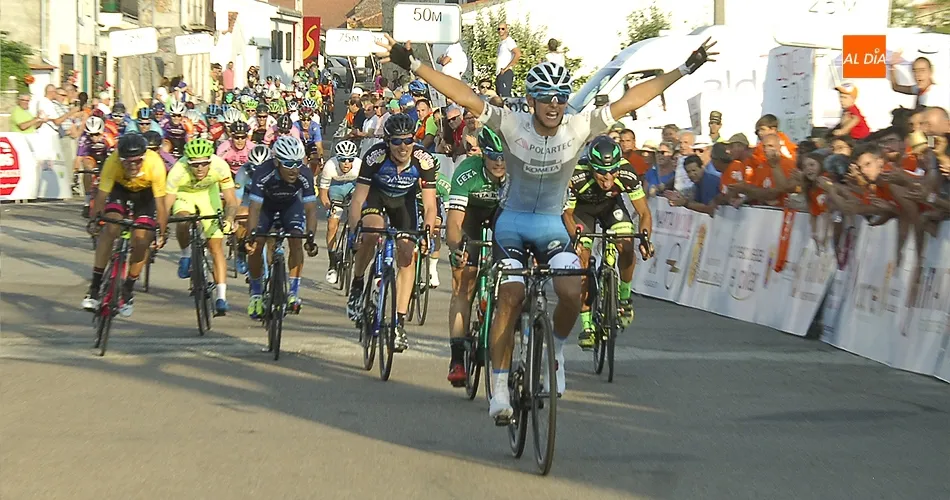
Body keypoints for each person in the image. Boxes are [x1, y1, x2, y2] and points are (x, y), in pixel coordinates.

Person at [376, 34, 714, 420]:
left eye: (560, 97)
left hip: (552, 225)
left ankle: (554, 352)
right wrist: (411, 61)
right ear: (532, 100)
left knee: (572, 292)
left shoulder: (579, 125)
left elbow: (633, 98)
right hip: (512, 226)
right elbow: (465, 94)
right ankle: (500, 388)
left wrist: (685, 68)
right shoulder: (512, 124)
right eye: (545, 97)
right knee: (510, 298)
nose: (554, 105)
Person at [345, 113, 440, 352]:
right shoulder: (375, 157)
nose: (403, 147)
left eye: (408, 140)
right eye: (396, 141)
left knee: (407, 255)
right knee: (372, 232)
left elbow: (430, 206)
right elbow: (357, 200)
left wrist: (427, 232)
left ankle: (398, 323)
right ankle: (358, 284)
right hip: (377, 195)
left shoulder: (423, 160)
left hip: (403, 202)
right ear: (387, 142)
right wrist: (355, 228)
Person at [563, 136, 652, 349]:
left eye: (613, 171)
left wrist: (646, 238)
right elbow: (567, 213)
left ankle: (624, 298)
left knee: (627, 245)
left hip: (611, 207)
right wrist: (576, 239)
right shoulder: (577, 174)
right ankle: (587, 326)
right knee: (582, 260)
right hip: (582, 211)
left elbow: (643, 212)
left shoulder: (628, 172)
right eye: (602, 172)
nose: (608, 177)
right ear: (592, 167)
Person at [444, 127, 507, 385]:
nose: (500, 162)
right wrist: (456, 248)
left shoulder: (516, 174)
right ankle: (457, 359)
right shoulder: (467, 171)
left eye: (504, 157)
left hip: (501, 216)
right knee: (463, 284)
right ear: (483, 155)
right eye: (494, 156)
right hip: (470, 216)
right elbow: (454, 223)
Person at [81, 134, 169, 315]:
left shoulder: (155, 165)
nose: (133, 166)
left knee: (142, 240)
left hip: (145, 196)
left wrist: (161, 231)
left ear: (144, 157)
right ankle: (95, 287)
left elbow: (161, 204)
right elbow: (102, 196)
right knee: (111, 227)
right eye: (127, 162)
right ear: (119, 158)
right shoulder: (112, 162)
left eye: (137, 161)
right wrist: (94, 220)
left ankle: (128, 288)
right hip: (119, 190)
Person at [244, 136, 320, 318]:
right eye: (288, 164)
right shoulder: (263, 172)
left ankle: (293, 293)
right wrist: (250, 235)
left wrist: (310, 237)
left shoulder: (304, 173)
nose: (294, 169)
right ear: (277, 161)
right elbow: (254, 208)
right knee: (256, 244)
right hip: (265, 208)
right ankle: (256, 293)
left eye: (297, 163)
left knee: (296, 239)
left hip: (290, 206)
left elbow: (310, 210)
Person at [165, 138, 239, 315]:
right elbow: (166, 205)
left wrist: (228, 220)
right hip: (185, 196)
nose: (199, 169)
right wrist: (161, 226)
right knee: (183, 220)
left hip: (208, 196)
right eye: (195, 164)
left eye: (204, 164)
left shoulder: (220, 166)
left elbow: (231, 200)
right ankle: (185, 255)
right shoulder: (178, 170)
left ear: (210, 160)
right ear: (187, 161)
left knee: (216, 248)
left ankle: (221, 297)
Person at [319, 140, 361, 285]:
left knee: (357, 214)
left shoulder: (359, 166)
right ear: (338, 159)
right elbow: (323, 194)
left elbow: (364, 191)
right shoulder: (330, 166)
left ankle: (355, 240)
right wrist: (328, 207)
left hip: (352, 187)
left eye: (350, 160)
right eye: (343, 160)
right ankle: (332, 264)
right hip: (335, 189)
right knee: (332, 225)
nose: (346, 163)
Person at [494, 23, 521, 97]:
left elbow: (518, 54)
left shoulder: (509, 41)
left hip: (505, 73)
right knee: (500, 96)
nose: (500, 31)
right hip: (499, 73)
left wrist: (506, 68)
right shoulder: (501, 43)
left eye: (503, 29)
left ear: (506, 30)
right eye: (498, 29)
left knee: (505, 97)